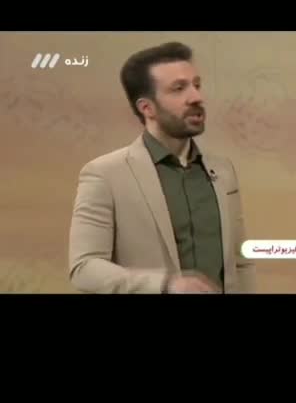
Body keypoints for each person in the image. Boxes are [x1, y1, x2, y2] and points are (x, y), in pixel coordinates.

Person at [68, 42, 256, 294]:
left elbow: (240, 262)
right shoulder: (105, 174)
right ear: (147, 108)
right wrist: (165, 285)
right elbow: (84, 268)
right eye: (179, 88)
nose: (196, 97)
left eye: (196, 85)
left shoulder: (223, 171)